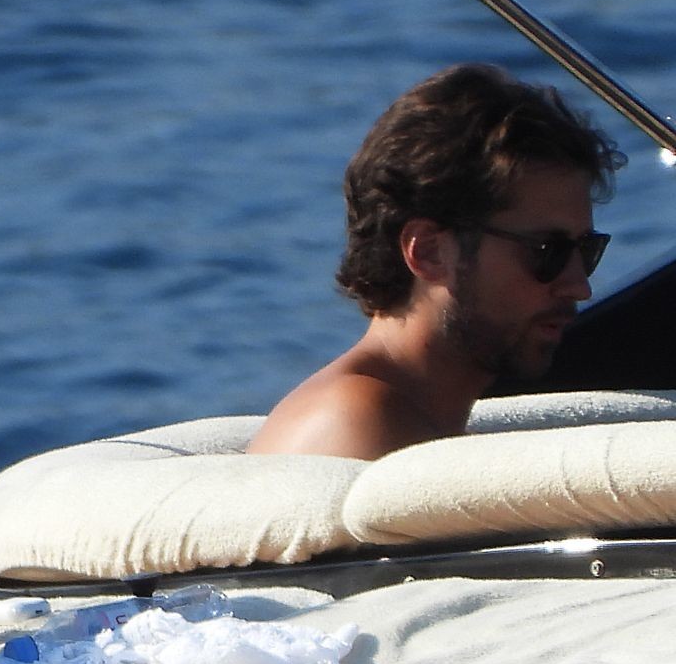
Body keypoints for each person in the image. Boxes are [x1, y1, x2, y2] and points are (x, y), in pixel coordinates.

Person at [248, 64, 625, 460]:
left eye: (586, 251)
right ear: (428, 251)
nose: (579, 286)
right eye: (547, 251)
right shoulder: (361, 425)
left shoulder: (406, 417)